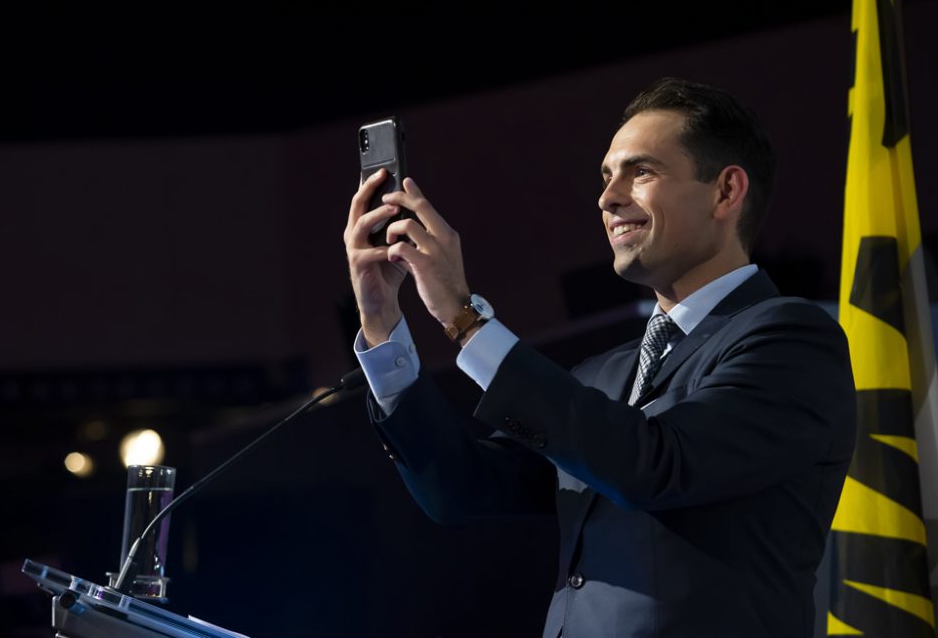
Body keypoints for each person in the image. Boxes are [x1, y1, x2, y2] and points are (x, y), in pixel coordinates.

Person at [343, 78, 855, 638]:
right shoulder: (603, 374)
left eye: (641, 172)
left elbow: (656, 465)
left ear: (725, 192)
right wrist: (382, 322)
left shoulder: (792, 341)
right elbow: (461, 488)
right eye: (606, 177)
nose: (608, 198)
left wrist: (467, 322)